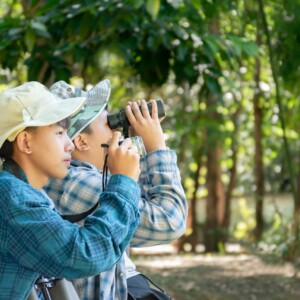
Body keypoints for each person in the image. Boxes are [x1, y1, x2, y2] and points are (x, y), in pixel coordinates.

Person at [44, 79, 188, 300]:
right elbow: (169, 222)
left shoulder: (66, 176)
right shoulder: (77, 182)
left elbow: (140, 201)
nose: (115, 131)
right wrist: (157, 146)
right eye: (107, 124)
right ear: (81, 142)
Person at [0, 81, 141, 299]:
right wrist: (123, 181)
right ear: (25, 142)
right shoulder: (12, 197)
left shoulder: (24, 192)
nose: (70, 145)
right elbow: (87, 255)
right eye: (59, 133)